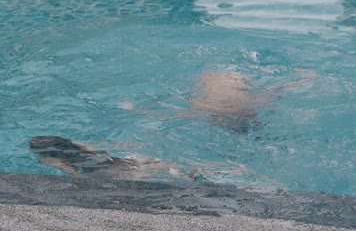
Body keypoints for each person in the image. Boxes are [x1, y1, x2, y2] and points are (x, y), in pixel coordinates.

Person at [123, 68, 318, 133]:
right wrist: (305, 79)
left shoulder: (199, 97)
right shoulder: (250, 101)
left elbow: (168, 113)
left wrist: (136, 108)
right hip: (240, 113)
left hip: (217, 113)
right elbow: (277, 90)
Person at [29, 136, 267, 183]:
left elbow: (70, 170)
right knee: (185, 172)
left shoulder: (56, 162)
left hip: (124, 175)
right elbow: (87, 146)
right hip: (134, 161)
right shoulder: (85, 147)